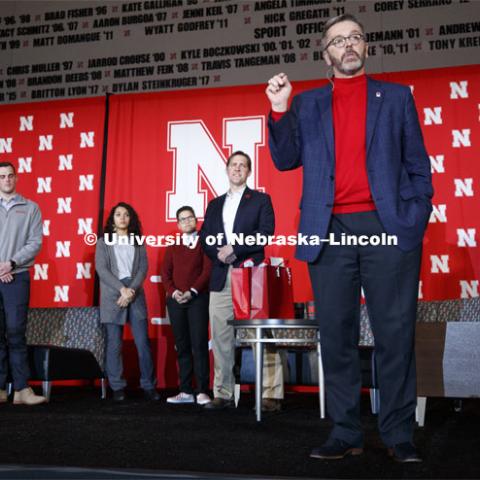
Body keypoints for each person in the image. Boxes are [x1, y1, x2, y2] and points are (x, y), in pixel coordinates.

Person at [266, 14, 433, 462]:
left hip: (387, 229)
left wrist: (413, 218)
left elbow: (418, 165)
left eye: (355, 37)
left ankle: (398, 435)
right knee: (336, 337)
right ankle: (345, 432)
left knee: (394, 335)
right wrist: (280, 109)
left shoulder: (396, 98)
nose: (348, 45)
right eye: (338, 41)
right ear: (327, 54)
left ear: (365, 47)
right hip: (329, 231)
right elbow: (284, 160)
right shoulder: (309, 104)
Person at [200, 151, 285, 412]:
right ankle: (223, 393)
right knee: (222, 337)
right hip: (221, 276)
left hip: (250, 276)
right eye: (233, 165)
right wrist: (220, 253)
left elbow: (265, 233)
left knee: (261, 335)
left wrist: (235, 249)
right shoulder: (214, 204)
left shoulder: (260, 200)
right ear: (227, 170)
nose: (237, 169)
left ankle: (271, 394)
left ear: (249, 172)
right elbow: (205, 237)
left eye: (243, 165)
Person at [95, 202, 159, 402]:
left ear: (131, 219)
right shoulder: (103, 242)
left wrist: (130, 291)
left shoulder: (138, 241)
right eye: (118, 214)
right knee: (114, 344)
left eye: (126, 215)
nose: (122, 218)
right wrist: (121, 289)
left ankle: (148, 385)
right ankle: (117, 387)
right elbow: (102, 269)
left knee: (142, 343)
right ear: (112, 219)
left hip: (135, 293)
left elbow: (143, 268)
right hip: (112, 294)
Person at [0, 161, 46, 405]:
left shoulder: (31, 208)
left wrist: (11, 263)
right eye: (2, 176)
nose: (6, 180)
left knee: (16, 332)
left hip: (17, 276)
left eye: (10, 176)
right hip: (2, 273)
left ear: (16, 178)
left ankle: (21, 390)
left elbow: (35, 242)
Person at [162, 206, 212, 406]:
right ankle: (185, 390)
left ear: (195, 220)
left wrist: (191, 292)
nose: (187, 222)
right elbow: (166, 275)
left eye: (190, 218)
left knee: (199, 345)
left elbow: (207, 271)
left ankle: (202, 391)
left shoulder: (205, 244)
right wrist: (175, 293)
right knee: (182, 346)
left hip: (197, 300)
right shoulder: (172, 248)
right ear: (178, 224)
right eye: (182, 219)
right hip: (176, 302)